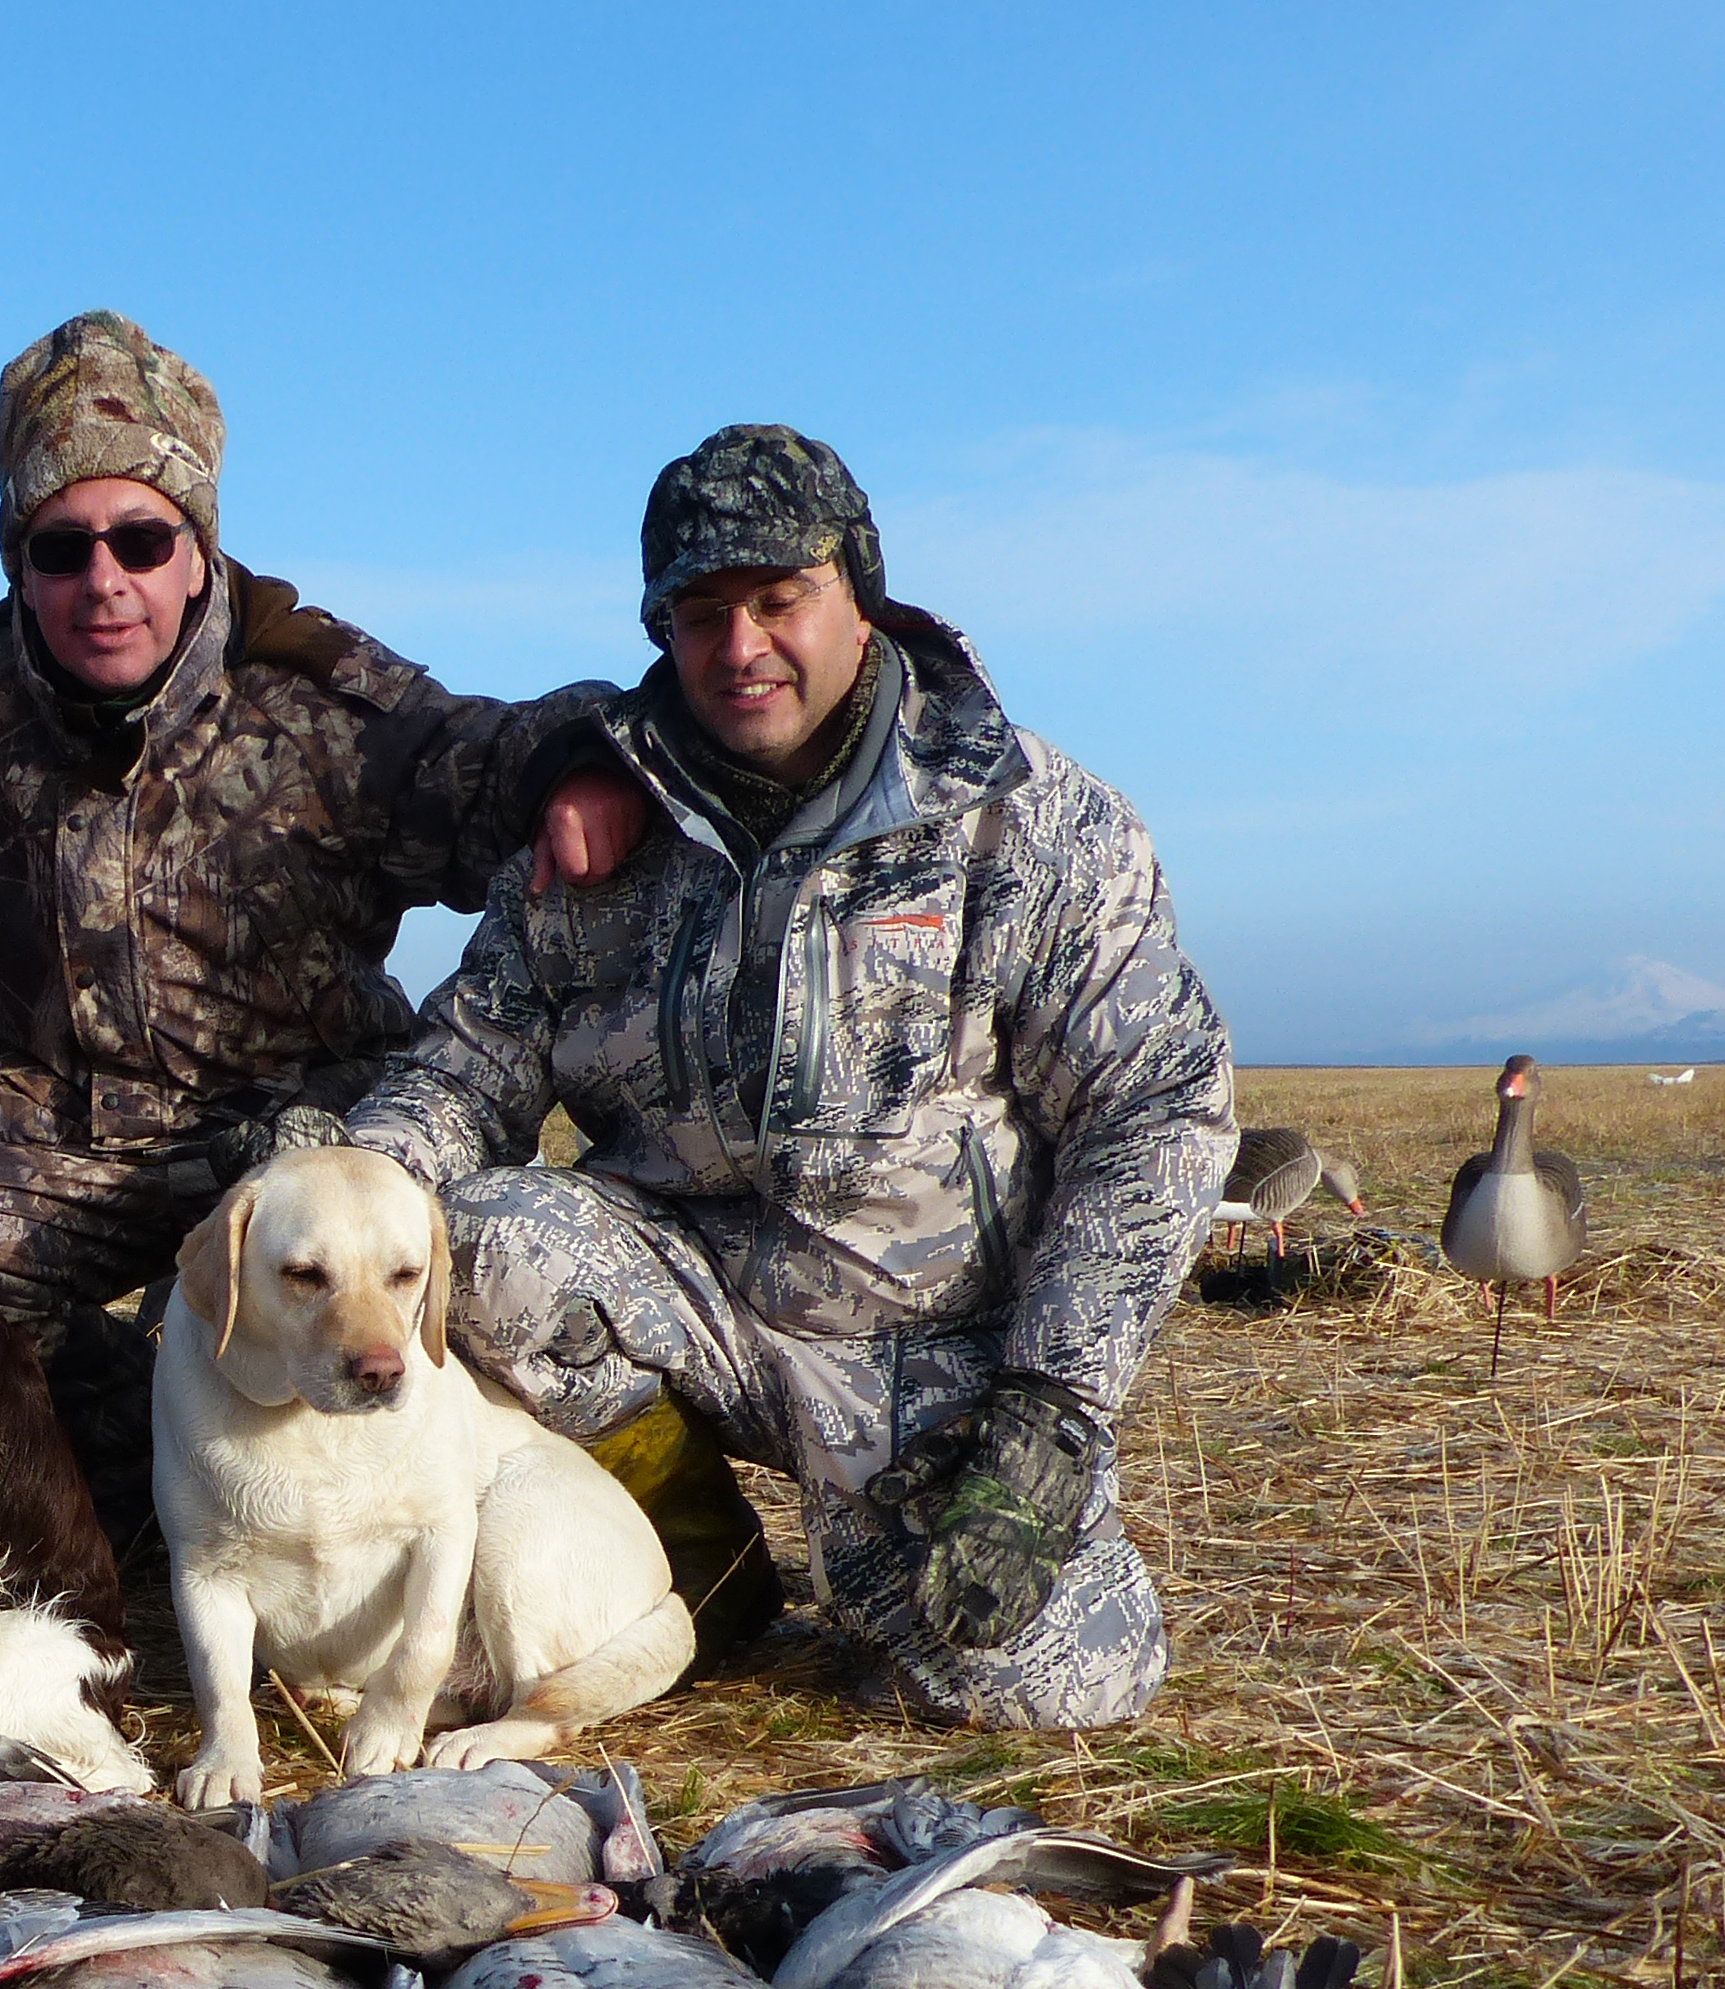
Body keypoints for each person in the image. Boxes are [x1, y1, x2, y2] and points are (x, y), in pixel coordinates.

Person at [339, 424, 1236, 1728]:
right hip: (691, 1297)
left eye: (779, 599)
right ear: (661, 631)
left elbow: (1156, 1110)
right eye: (701, 614)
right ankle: (697, 1572)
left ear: (857, 596)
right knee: (473, 1241)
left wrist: (1051, 1419)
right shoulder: (597, 839)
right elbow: (469, 1068)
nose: (741, 646)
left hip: (937, 1352)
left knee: (1051, 1689)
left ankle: (890, 1550)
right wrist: (343, 1181)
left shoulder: (1028, 820)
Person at [0, 311, 638, 1501]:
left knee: (362, 1285)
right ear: (17, 559)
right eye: (59, 549)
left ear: (198, 547)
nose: (103, 583)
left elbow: (490, 753)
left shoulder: (322, 703)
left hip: (289, 1125)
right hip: (39, 1140)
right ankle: (105, 1450)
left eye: (139, 537)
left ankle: (498, 1529)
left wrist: (579, 771)